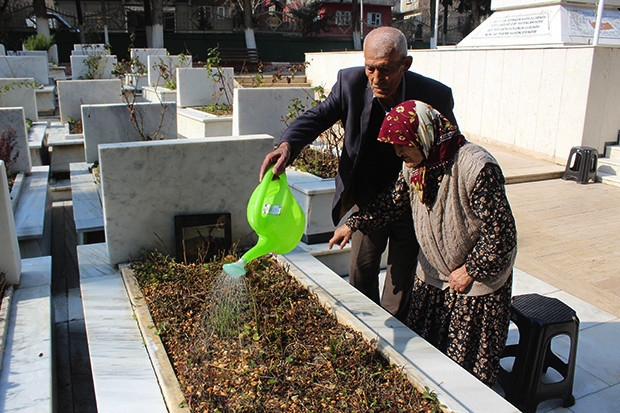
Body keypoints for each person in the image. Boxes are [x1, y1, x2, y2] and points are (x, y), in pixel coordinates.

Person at [259, 27, 457, 322]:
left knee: (401, 276)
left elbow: (449, 149)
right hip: (366, 197)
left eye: (386, 70)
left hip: (411, 202)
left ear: (405, 64)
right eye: (370, 69)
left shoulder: (434, 96)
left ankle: (395, 331)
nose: (376, 79)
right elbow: (318, 116)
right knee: (362, 269)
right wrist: (288, 145)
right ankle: (368, 327)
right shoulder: (350, 83)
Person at [329, 100, 517, 387]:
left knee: (462, 374)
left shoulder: (477, 167)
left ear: (424, 135)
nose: (397, 152)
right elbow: (392, 202)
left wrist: (471, 269)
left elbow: (502, 234)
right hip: (433, 276)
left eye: (402, 144)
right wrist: (353, 224)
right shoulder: (415, 167)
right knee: (428, 361)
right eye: (394, 146)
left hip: (472, 285)